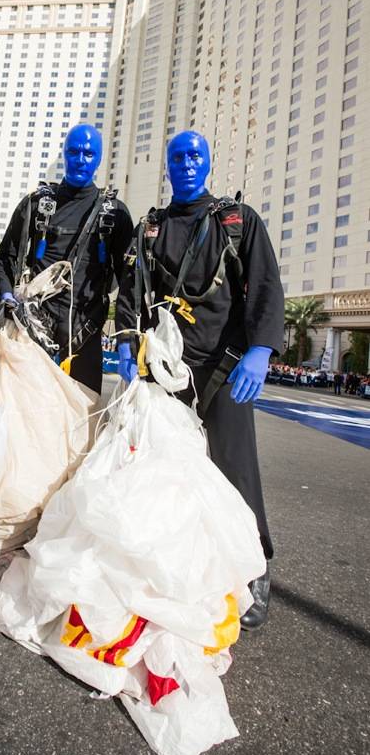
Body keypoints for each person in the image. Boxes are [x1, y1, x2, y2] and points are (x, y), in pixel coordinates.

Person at [116, 130, 284, 631]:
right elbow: (130, 292)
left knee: (236, 469)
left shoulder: (237, 221)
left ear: (207, 163)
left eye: (195, 155)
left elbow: (265, 285)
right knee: (162, 471)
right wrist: (125, 343)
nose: (187, 163)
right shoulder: (150, 229)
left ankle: (255, 567)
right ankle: (175, 561)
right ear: (168, 166)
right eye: (178, 157)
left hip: (226, 368)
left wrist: (260, 350)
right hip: (166, 370)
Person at [0, 124, 133, 395]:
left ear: (99, 159)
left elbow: (127, 281)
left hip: (85, 333)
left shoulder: (115, 214)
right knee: (26, 413)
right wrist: (6, 298)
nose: (80, 160)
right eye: (74, 152)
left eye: (89, 154)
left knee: (82, 415)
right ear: (64, 154)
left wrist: (126, 338)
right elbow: (5, 258)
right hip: (33, 331)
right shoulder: (37, 204)